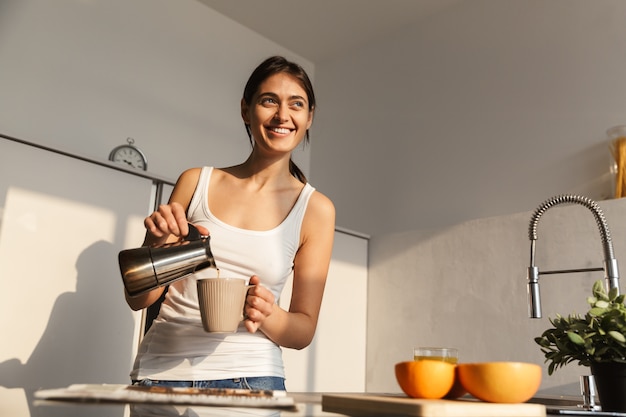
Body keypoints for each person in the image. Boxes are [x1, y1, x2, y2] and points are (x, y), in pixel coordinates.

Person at [125, 56, 336, 392]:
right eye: (269, 100)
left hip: (251, 380)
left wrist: (270, 315)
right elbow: (139, 300)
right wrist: (155, 244)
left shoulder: (315, 209)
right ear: (245, 109)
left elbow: (303, 330)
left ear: (309, 117)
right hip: (160, 375)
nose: (283, 115)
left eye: (296, 104)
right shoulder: (196, 182)